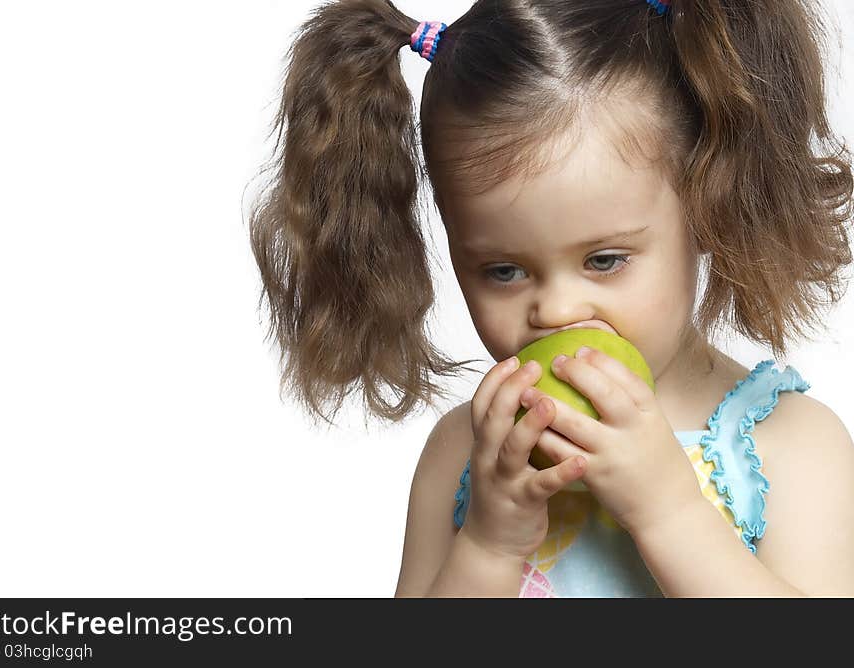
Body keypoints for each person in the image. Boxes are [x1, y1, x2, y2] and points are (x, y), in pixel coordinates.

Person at [248, 0, 854, 597]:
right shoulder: (465, 454)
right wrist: (488, 544)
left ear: (707, 212)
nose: (557, 312)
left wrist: (669, 513)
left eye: (605, 260)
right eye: (504, 270)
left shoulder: (791, 445)